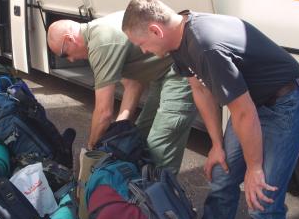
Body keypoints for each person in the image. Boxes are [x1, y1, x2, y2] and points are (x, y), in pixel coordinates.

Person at [121, 0, 299, 219]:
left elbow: (243, 113)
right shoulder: (178, 40)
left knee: (262, 201)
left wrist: (254, 168)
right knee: (223, 179)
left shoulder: (206, 45)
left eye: (142, 43)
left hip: (285, 103)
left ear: (155, 30)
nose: (143, 51)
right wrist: (216, 146)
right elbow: (199, 89)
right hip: (251, 103)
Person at [47, 12, 196, 174]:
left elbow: (103, 113)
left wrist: (91, 150)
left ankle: (161, 187)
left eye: (65, 54)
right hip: (162, 72)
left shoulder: (101, 44)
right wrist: (119, 130)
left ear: (70, 39)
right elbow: (133, 85)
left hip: (180, 69)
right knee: (139, 135)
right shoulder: (99, 31)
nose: (70, 60)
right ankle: (139, 184)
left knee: (158, 148)